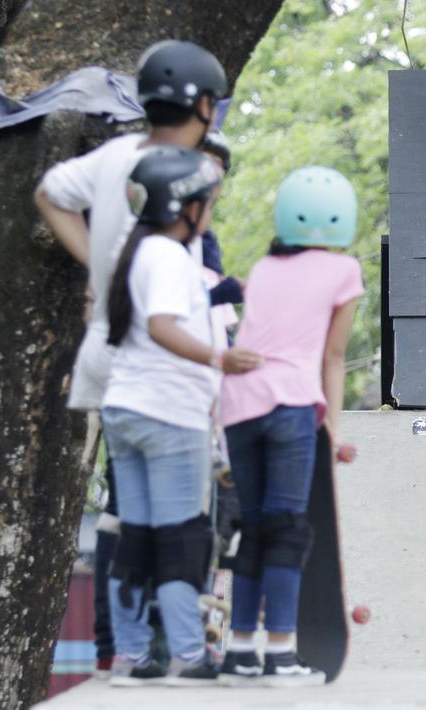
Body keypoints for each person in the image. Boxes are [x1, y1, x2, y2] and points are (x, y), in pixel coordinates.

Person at [33, 40, 256, 676]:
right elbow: (172, 314)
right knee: (182, 525)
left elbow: (49, 193)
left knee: (128, 520)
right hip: (166, 370)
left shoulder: (115, 159)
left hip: (113, 354)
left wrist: (102, 269)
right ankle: (185, 649)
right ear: (207, 105)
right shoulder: (185, 177)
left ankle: (131, 650)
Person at [216, 167, 364, 687]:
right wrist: (335, 429)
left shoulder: (263, 268)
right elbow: (334, 354)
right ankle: (280, 654)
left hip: (238, 405)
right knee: (287, 531)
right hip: (289, 404)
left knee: (255, 529)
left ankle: (239, 653)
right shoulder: (345, 270)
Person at [99, 147, 225, 685]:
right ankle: (190, 656)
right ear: (185, 206)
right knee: (179, 539)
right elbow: (163, 325)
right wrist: (225, 358)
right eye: (208, 202)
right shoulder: (171, 257)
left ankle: (132, 655)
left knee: (137, 538)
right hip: (169, 413)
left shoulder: (133, 251)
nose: (211, 211)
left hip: (126, 408)